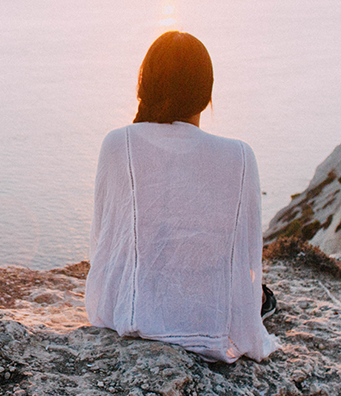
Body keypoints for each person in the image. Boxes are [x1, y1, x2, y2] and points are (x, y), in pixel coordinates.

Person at [85, 31, 278, 363]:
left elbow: (104, 244)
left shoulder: (117, 144)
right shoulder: (240, 156)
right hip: (210, 319)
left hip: (130, 314)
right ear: (205, 94)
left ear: (144, 85)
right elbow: (246, 255)